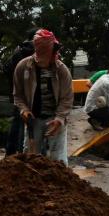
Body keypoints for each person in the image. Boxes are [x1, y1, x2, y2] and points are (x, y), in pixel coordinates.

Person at [13, 29, 74, 165]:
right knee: (31, 158)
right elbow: (18, 95)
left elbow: (67, 99)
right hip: (33, 119)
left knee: (58, 160)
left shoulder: (62, 70)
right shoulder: (23, 67)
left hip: (56, 119)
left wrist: (59, 119)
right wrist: (23, 110)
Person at [5, 28, 36, 155]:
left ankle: (10, 153)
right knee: (24, 125)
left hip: (15, 92)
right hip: (26, 94)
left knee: (16, 124)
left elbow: (7, 69)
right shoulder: (32, 52)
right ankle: (20, 154)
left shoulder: (18, 49)